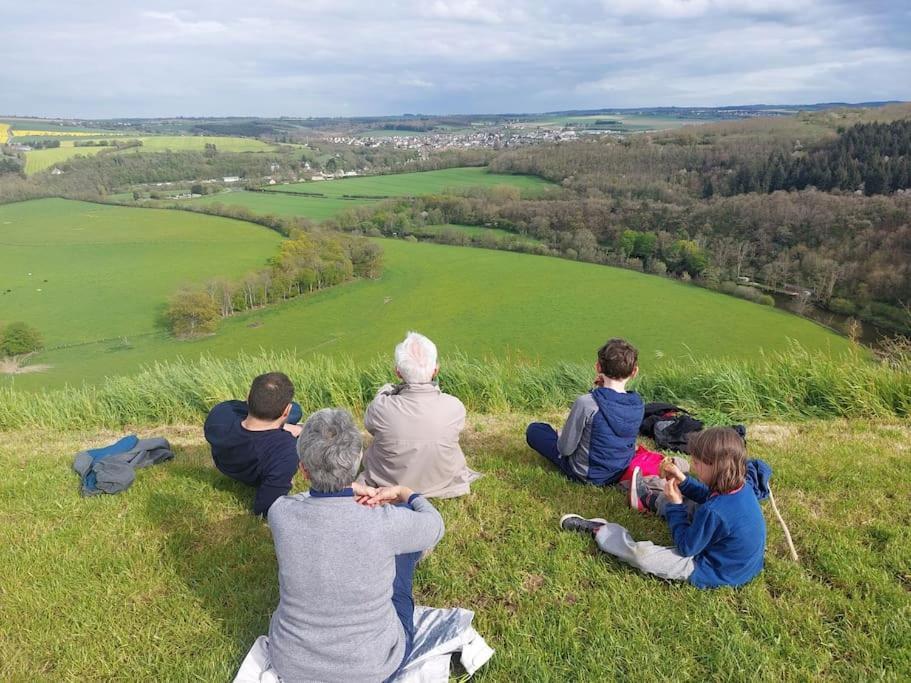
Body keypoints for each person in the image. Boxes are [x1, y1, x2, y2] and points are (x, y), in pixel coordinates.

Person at [267, 408, 445, 682]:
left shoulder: (280, 514)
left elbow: (301, 498)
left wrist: (340, 488)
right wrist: (406, 493)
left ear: (303, 469)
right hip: (373, 667)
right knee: (405, 553)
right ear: (358, 460)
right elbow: (435, 525)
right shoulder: (386, 522)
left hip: (291, 663)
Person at [560, 427, 770, 589]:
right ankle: (650, 499)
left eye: (697, 464)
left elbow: (686, 547)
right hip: (743, 563)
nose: (693, 466)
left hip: (716, 570)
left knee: (642, 556)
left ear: (716, 467)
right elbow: (708, 497)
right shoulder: (740, 487)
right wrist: (684, 481)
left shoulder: (714, 512)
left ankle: (601, 530)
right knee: (690, 500)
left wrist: (675, 505)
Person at [359, 331, 480, 498]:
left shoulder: (381, 407)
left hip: (388, 482)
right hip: (443, 482)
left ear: (398, 372)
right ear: (436, 370)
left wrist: (387, 390)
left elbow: (370, 426)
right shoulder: (454, 407)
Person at [526, 338, 644, 486]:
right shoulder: (638, 403)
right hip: (618, 471)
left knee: (535, 430)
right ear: (634, 372)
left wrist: (562, 436)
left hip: (587, 474)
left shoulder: (587, 403)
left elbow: (565, 449)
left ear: (598, 367)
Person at [203, 372, 303, 517]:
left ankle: (279, 423)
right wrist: (294, 430)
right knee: (297, 414)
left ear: (248, 397)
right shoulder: (285, 450)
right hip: (252, 476)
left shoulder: (220, 413)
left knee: (297, 410)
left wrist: (285, 427)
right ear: (285, 411)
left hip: (225, 464)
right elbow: (265, 508)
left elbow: (241, 408)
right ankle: (287, 424)